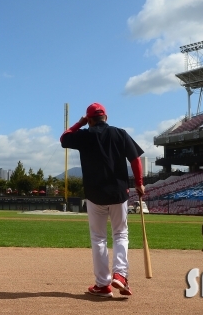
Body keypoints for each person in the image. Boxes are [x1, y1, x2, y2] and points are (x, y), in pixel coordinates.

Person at [60, 103, 145, 298]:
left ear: (89, 120)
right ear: (106, 117)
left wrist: (79, 123)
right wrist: (139, 183)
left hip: (94, 194)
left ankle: (103, 284)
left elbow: (64, 138)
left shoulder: (84, 134)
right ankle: (121, 275)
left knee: (98, 238)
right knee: (120, 234)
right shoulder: (120, 133)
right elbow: (135, 159)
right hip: (118, 193)